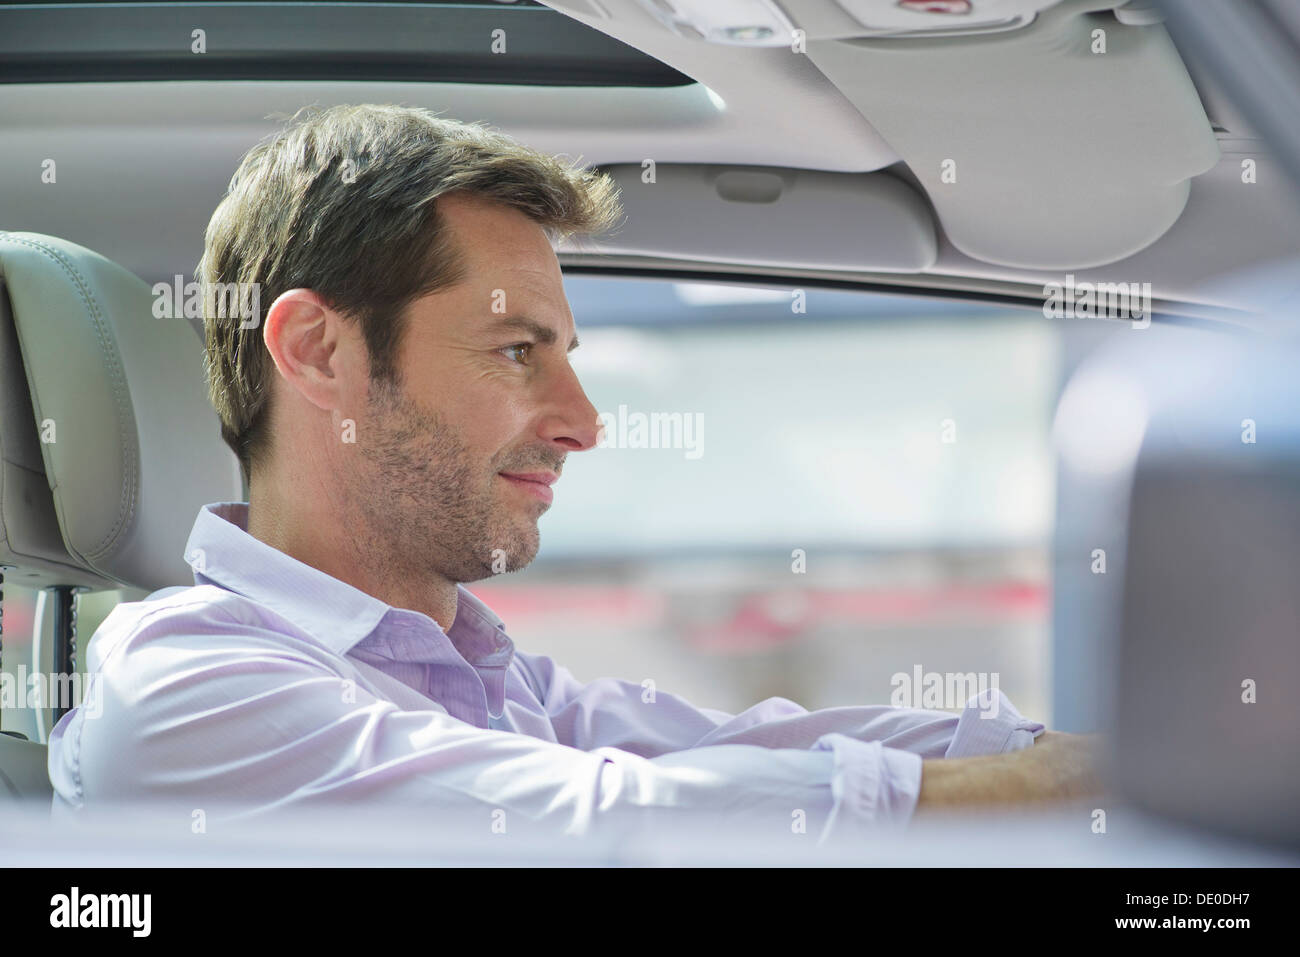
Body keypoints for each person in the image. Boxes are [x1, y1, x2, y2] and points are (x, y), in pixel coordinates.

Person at [47, 104, 1102, 844]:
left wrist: (1059, 756)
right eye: (517, 352)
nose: (584, 425)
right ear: (320, 353)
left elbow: (739, 742)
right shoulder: (183, 684)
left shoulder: (485, 684)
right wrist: (1005, 794)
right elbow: (607, 825)